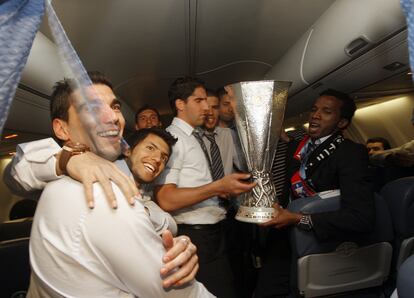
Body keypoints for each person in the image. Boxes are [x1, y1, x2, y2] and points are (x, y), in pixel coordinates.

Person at [5, 72, 210, 297]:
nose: (113, 117)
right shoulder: (103, 195)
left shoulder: (130, 187)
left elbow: (159, 220)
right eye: (92, 108)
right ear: (62, 129)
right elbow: (15, 174)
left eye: (115, 107)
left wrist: (175, 244)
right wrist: (67, 159)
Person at [256, 89, 375, 297]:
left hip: (319, 241)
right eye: (314, 109)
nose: (315, 115)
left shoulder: (350, 154)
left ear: (342, 123)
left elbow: (361, 217)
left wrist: (297, 219)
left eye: (326, 111)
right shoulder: (298, 146)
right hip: (283, 236)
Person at [154, 76, 256, 298]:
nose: (206, 106)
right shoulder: (173, 140)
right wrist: (217, 187)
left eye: (207, 101)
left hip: (215, 231)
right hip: (196, 236)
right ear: (180, 104)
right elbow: (166, 198)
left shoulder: (195, 137)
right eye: (199, 100)